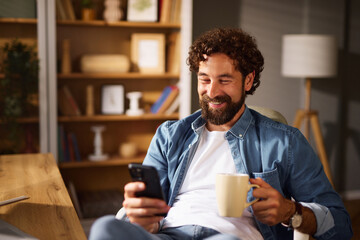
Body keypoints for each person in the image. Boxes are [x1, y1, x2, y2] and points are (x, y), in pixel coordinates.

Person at [89, 28, 353, 240]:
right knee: (104, 228)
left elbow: (339, 223)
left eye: (224, 80)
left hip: (229, 237)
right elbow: (145, 211)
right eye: (204, 79)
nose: (212, 91)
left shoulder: (285, 141)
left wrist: (290, 211)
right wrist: (134, 213)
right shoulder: (170, 135)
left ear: (248, 81)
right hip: (168, 234)